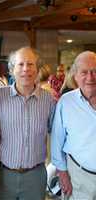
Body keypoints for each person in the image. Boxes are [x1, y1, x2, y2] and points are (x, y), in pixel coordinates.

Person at [0, 46, 56, 200]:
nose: (26, 69)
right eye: (20, 64)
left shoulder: (48, 100)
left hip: (35, 176)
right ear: (12, 70)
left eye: (30, 64)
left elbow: (56, 134)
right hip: (3, 175)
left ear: (37, 69)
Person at [51, 51, 96, 199]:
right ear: (75, 76)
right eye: (84, 72)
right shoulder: (66, 102)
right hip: (78, 178)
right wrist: (62, 174)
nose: (90, 77)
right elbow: (57, 141)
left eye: (95, 71)